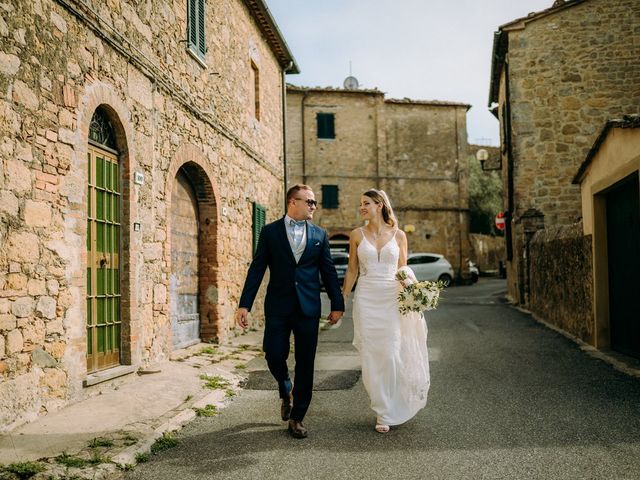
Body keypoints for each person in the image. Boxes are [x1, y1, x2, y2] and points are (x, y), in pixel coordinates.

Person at [235, 184, 345, 439]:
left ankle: (297, 417)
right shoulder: (270, 232)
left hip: (308, 308)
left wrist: (337, 304)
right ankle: (286, 386)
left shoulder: (319, 234)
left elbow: (328, 271)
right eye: (309, 202)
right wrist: (245, 304)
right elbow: (257, 268)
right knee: (273, 354)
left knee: (306, 363)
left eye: (315, 202)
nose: (313, 206)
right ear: (292, 202)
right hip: (279, 306)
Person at [342, 189, 430, 433]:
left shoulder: (399, 235)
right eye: (360, 204)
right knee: (372, 354)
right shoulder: (356, 235)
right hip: (367, 297)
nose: (362, 207)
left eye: (366, 203)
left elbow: (402, 268)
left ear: (379, 205)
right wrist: (343, 296)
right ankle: (382, 411)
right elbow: (352, 270)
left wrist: (414, 291)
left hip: (391, 298)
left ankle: (392, 404)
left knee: (391, 352)